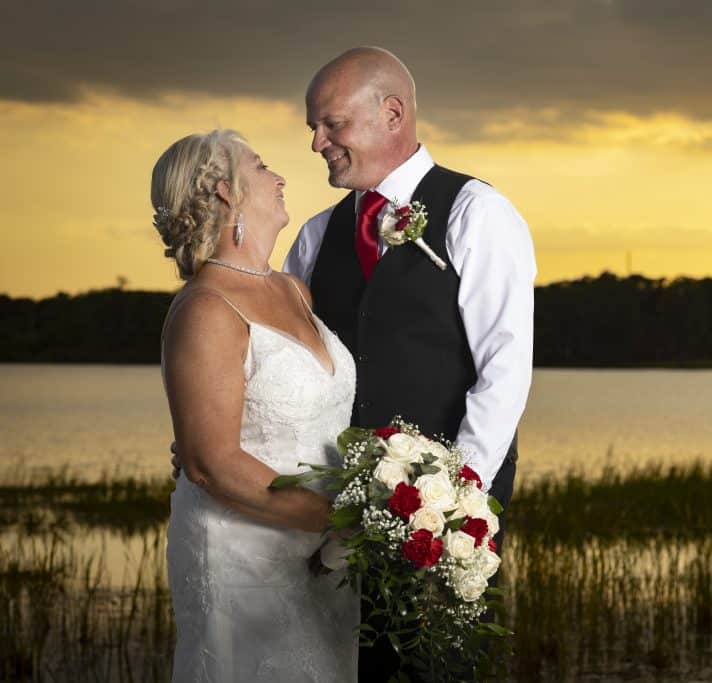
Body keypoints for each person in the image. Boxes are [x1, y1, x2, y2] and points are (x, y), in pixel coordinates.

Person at [284, 47, 535, 680]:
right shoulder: (316, 235)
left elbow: (505, 368)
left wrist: (456, 500)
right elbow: (283, 361)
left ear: (391, 112)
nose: (316, 142)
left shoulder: (478, 212)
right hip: (337, 515)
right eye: (313, 127)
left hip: (445, 520)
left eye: (330, 123)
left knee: (438, 669)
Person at [155, 130, 358, 682]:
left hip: (325, 557)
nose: (280, 176)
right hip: (243, 557)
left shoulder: (295, 291)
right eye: (263, 166)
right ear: (225, 191)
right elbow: (210, 464)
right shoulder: (206, 308)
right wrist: (344, 521)